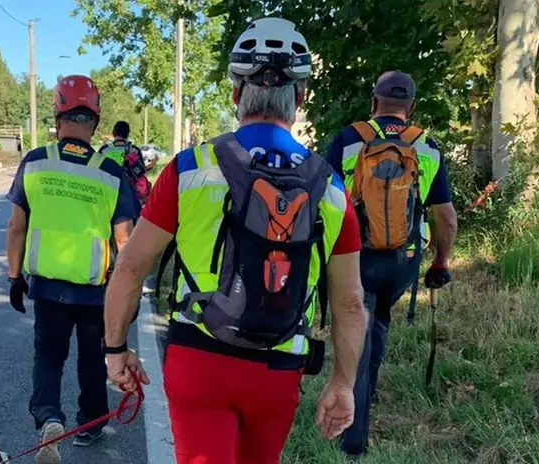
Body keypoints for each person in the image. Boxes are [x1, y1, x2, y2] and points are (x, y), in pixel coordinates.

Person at [102, 18, 369, 464]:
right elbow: (350, 303)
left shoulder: (190, 168)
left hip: (199, 358)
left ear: (234, 94)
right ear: (299, 99)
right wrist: (342, 384)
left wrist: (114, 350)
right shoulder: (332, 187)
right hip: (278, 365)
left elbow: (131, 265)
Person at [4, 75, 138, 464]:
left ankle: (49, 417)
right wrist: (127, 296)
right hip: (96, 289)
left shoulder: (35, 162)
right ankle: (91, 422)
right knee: (92, 357)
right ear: (95, 121)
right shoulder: (110, 173)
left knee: (48, 356)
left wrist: (15, 277)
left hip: (47, 287)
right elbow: (124, 241)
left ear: (58, 116)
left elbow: (16, 226)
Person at [325, 70, 458, 456]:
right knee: (378, 319)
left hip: (355, 253)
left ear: (374, 102)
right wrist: (441, 263)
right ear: (410, 108)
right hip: (404, 258)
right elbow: (446, 217)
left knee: (356, 323)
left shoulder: (349, 140)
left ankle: (353, 431)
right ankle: (366, 393)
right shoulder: (427, 146)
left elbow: (325, 202)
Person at [99, 120, 150, 215]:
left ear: (114, 133)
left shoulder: (105, 150)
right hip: (131, 195)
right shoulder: (134, 150)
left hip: (107, 194)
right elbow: (141, 172)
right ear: (127, 134)